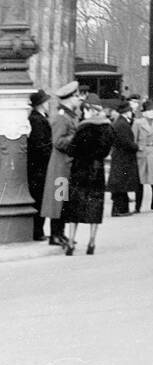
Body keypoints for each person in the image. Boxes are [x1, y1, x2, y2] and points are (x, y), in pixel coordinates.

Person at [63, 95, 114, 256]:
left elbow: (71, 149)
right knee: (95, 207)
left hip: (79, 171)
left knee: (74, 208)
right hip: (97, 171)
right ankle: (91, 242)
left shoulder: (82, 128)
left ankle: (71, 242)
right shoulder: (108, 128)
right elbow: (106, 151)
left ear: (87, 110)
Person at [40, 81, 81, 246]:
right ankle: (55, 235)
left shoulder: (69, 115)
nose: (79, 99)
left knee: (63, 202)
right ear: (69, 98)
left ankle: (60, 234)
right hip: (61, 166)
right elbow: (57, 141)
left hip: (66, 165)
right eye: (77, 96)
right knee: (58, 201)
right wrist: (77, 139)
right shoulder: (61, 117)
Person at [109, 101, 142, 216]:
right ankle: (120, 210)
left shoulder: (119, 122)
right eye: (130, 111)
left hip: (120, 157)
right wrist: (136, 146)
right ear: (126, 112)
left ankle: (121, 209)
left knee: (120, 184)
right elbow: (126, 142)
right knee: (121, 184)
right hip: (123, 158)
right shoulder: (122, 124)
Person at [27, 90, 52, 241]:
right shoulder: (37, 120)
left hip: (39, 166)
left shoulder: (40, 118)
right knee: (39, 198)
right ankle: (38, 231)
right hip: (39, 167)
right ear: (41, 104)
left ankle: (39, 230)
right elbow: (40, 144)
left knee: (40, 198)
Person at [133, 99, 153, 210]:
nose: (152, 112)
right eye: (149, 110)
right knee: (140, 181)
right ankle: (137, 206)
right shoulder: (137, 123)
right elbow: (134, 139)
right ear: (144, 112)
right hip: (142, 153)